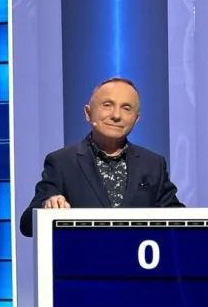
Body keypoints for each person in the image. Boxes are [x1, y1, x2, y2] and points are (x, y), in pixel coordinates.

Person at [19, 76, 182, 237]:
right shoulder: (62, 162)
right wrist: (47, 207)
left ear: (136, 119)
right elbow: (27, 226)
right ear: (88, 113)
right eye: (107, 105)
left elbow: (180, 221)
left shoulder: (153, 164)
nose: (116, 115)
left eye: (126, 108)